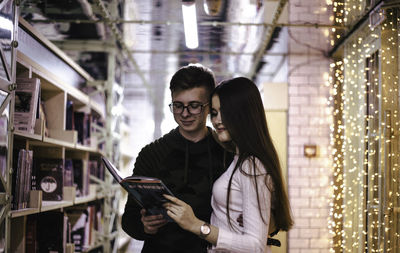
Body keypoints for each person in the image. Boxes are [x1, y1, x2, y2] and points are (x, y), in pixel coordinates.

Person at [164, 77, 294, 252]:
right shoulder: (239, 159)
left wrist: (197, 225)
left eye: (224, 112)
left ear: (243, 114)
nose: (217, 120)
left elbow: (255, 245)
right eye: (215, 113)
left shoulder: (251, 165)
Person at [121, 63, 234, 253]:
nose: (184, 113)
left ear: (209, 107)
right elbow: (129, 220)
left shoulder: (228, 153)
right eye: (178, 105)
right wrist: (144, 226)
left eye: (194, 106)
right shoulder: (152, 154)